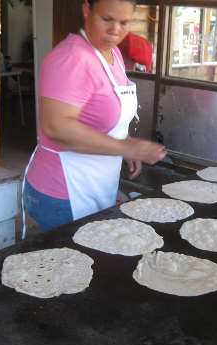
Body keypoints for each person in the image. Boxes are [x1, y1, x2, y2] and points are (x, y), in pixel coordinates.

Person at [22, 0, 166, 235]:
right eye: (107, 19)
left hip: (95, 183)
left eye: (124, 22)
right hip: (64, 191)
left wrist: (126, 140)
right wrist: (125, 148)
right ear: (86, 10)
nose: (115, 30)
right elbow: (56, 127)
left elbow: (102, 112)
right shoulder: (71, 58)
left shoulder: (113, 54)